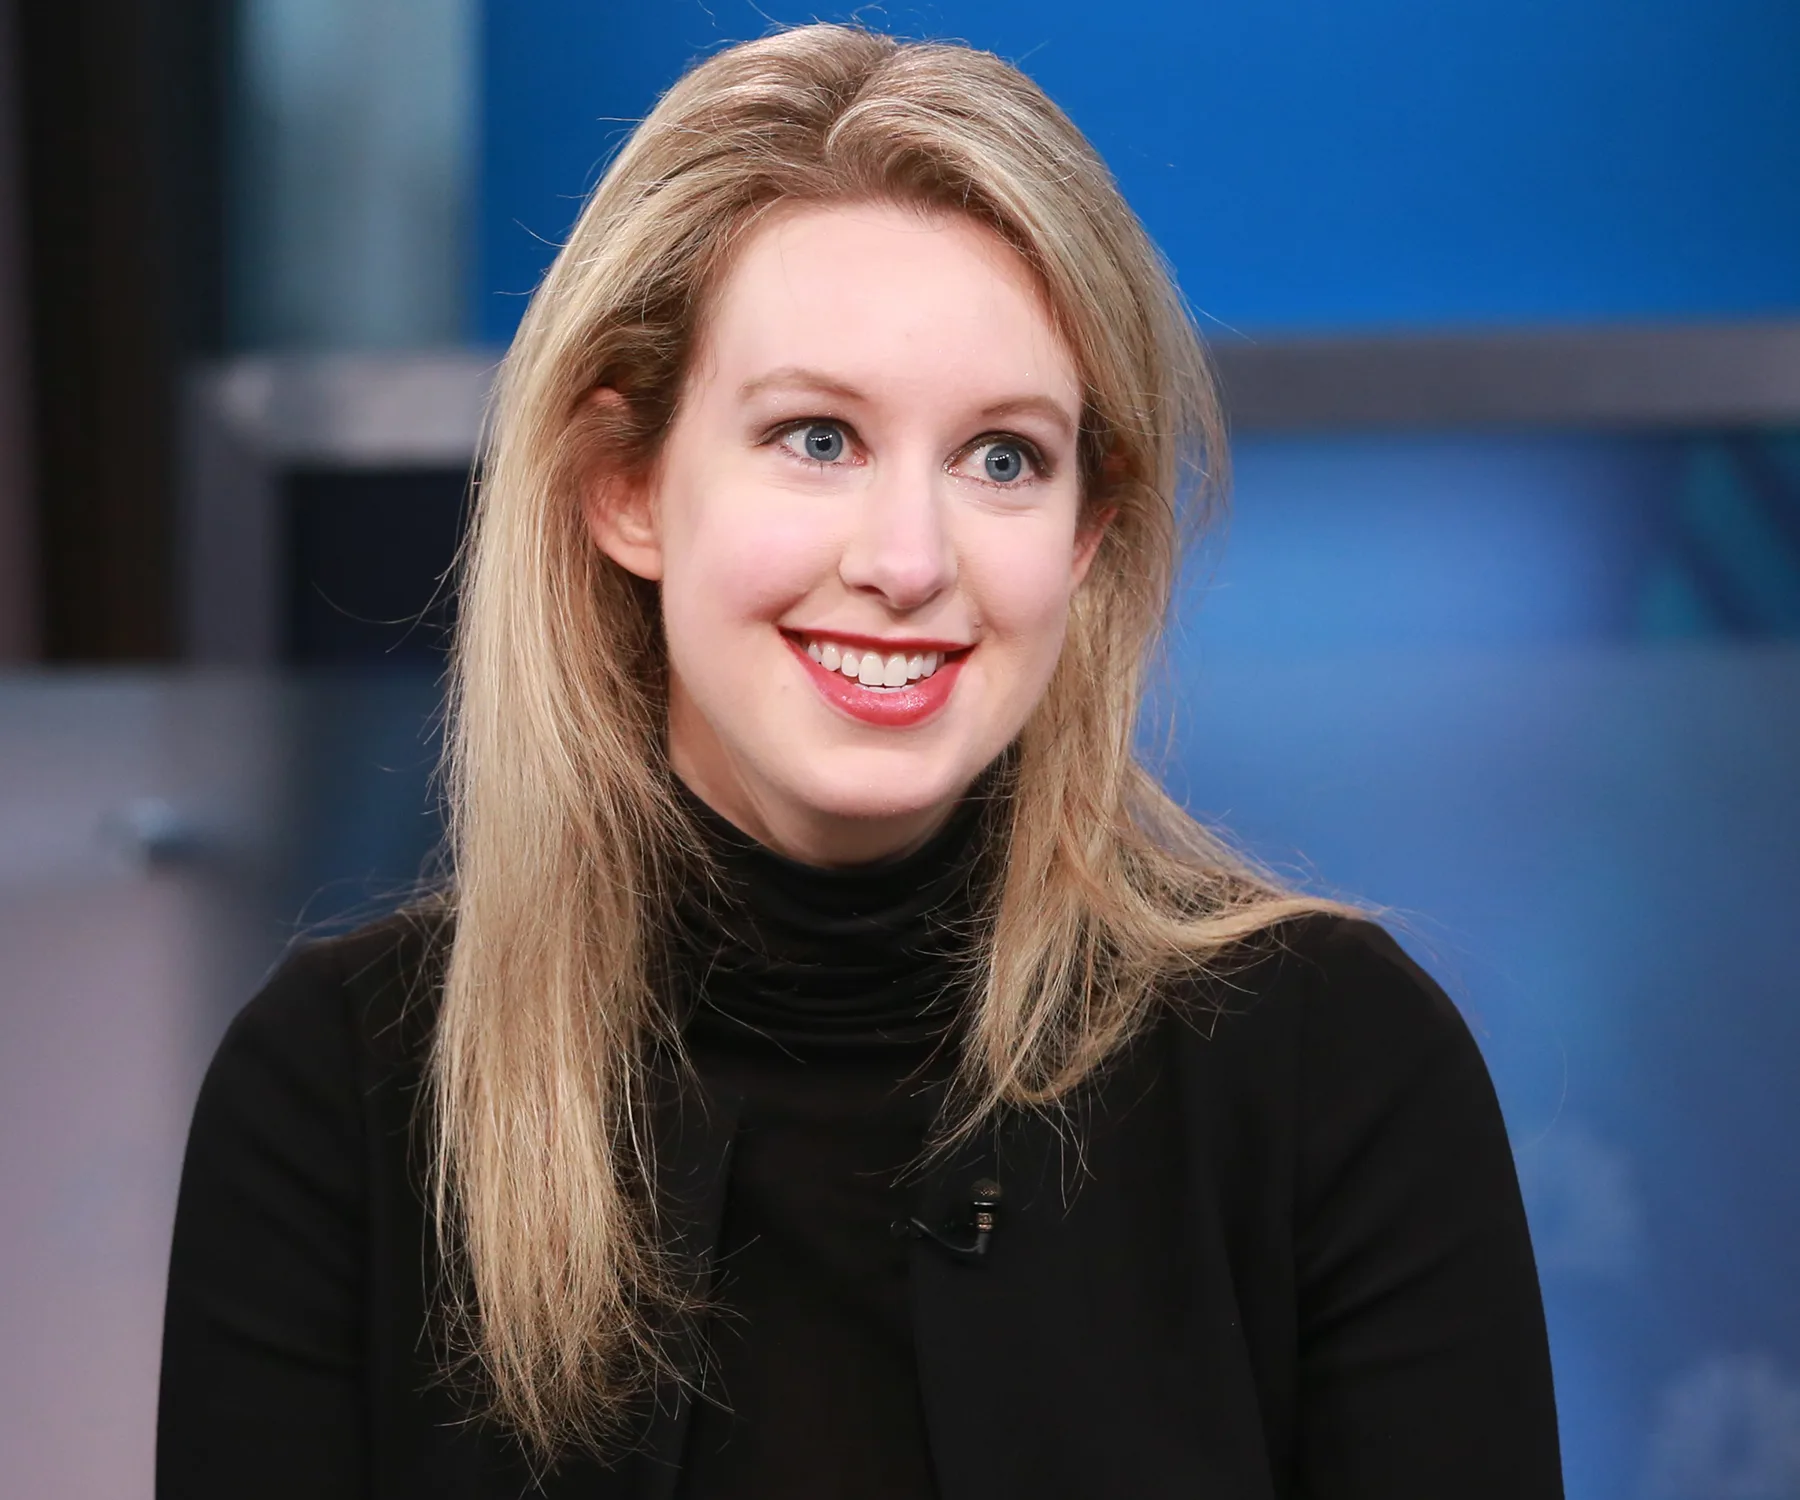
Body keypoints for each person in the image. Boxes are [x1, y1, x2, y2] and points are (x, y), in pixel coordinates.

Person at [157, 23, 1562, 1500]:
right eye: (817, 437)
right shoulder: (344, 1093)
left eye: (1003, 458)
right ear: (624, 485)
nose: (907, 561)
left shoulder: (1334, 1071)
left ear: (1087, 534)